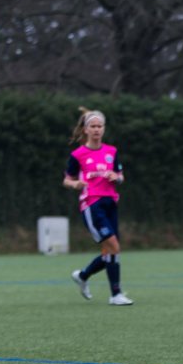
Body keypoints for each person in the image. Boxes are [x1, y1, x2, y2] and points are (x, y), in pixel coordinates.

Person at [63, 109, 134, 305]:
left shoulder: (112, 151)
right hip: (92, 204)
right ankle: (115, 294)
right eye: (93, 126)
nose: (96, 130)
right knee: (114, 247)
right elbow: (67, 180)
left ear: (103, 129)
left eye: (99, 126)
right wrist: (75, 184)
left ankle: (83, 276)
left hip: (111, 202)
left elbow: (121, 176)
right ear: (86, 130)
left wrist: (116, 177)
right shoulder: (78, 154)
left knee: (109, 251)